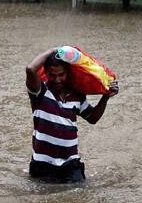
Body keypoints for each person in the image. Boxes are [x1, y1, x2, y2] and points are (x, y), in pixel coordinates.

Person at [25, 48, 119, 183]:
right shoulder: (39, 92)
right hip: (43, 165)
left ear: (68, 73)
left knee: (80, 193)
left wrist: (105, 98)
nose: (57, 80)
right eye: (52, 75)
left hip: (70, 163)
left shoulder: (76, 94)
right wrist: (55, 50)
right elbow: (30, 69)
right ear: (45, 73)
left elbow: (92, 118)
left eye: (61, 74)